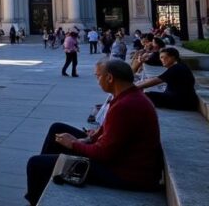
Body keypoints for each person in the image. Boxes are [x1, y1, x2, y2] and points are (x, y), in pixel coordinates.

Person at [24, 58, 162, 205]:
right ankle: (51, 172)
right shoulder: (128, 96)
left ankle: (35, 201)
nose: (97, 80)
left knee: (36, 164)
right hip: (123, 161)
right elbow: (107, 132)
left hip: (125, 173)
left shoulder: (125, 106)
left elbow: (104, 154)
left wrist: (74, 144)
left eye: (98, 76)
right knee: (57, 129)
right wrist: (88, 139)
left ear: (109, 78)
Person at [137, 47, 199, 111]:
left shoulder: (177, 68)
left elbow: (156, 80)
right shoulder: (180, 66)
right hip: (183, 100)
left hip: (181, 102)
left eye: (163, 57)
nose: (162, 60)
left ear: (173, 57)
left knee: (143, 97)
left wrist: (135, 87)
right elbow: (160, 78)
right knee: (148, 95)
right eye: (161, 57)